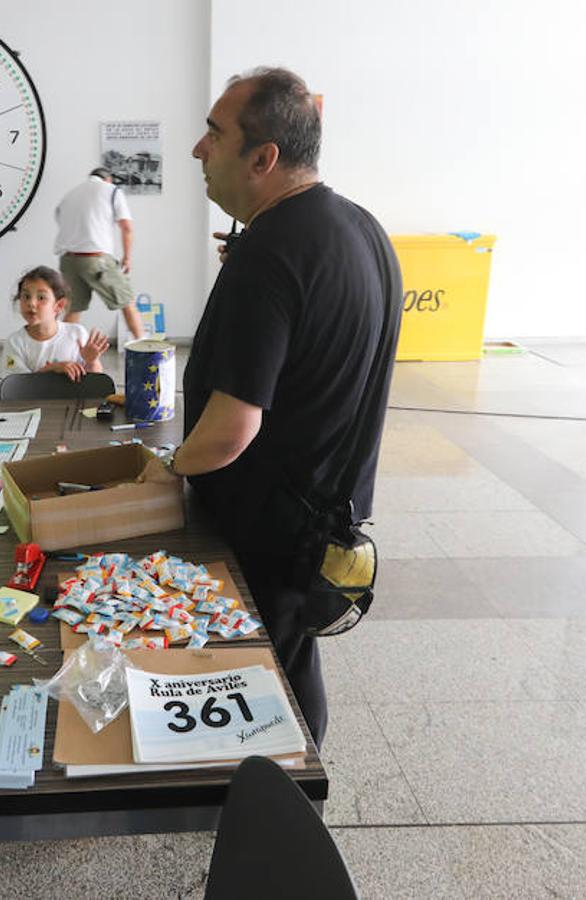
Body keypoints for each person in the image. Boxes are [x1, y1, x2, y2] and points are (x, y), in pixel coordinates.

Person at [143, 67, 402, 748]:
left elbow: (231, 429)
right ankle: (291, 788)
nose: (198, 149)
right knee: (288, 654)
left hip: (268, 524)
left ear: (263, 159)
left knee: (266, 668)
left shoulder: (269, 253)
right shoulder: (360, 228)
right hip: (327, 514)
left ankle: (277, 803)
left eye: (213, 133)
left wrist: (165, 467)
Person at [53, 166, 145, 340]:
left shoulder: (70, 195)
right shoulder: (112, 191)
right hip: (95, 260)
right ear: (108, 179)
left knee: (74, 309)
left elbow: (61, 221)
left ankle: (59, 351)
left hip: (68, 260)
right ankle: (145, 350)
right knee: (127, 302)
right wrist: (127, 257)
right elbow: (126, 227)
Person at [2, 265, 110, 381]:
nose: (31, 303)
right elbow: (17, 387)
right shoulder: (15, 342)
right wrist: (52, 369)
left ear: (59, 306)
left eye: (41, 297)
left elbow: (94, 382)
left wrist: (91, 361)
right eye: (26, 296)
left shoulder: (77, 334)